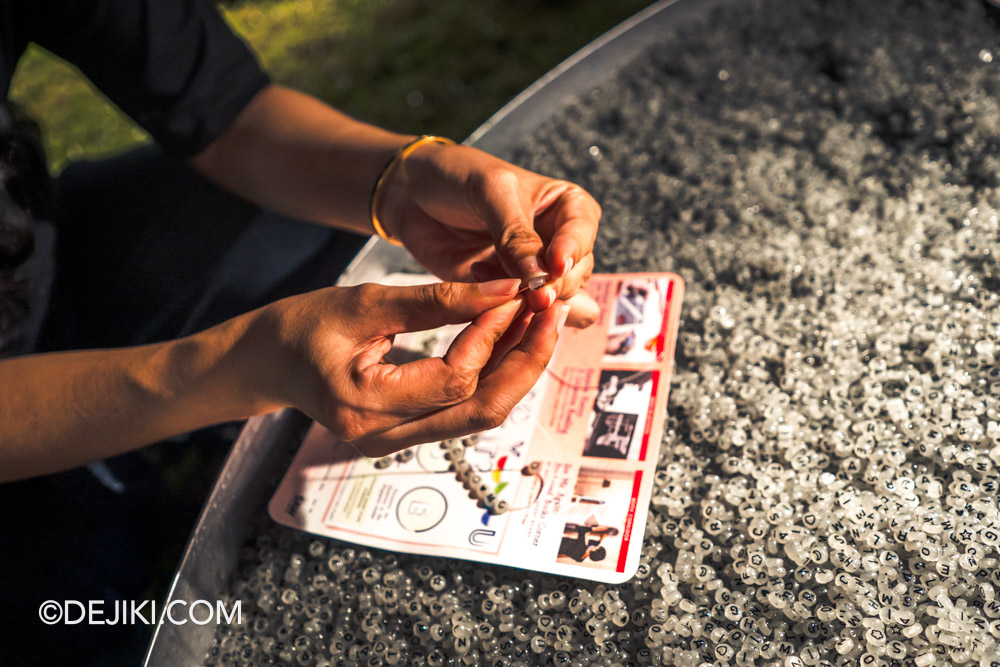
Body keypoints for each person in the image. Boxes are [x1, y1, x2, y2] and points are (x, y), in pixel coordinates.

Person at [0, 0, 602, 483]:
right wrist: (233, 367)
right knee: (95, 601)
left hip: (42, 237)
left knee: (309, 244)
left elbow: (220, 104)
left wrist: (401, 180)